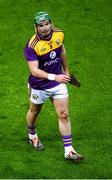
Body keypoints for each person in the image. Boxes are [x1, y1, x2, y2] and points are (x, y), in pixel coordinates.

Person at [24, 11, 84, 161]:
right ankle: (32, 135)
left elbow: (61, 51)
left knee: (64, 114)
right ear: (35, 27)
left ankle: (69, 151)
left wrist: (66, 71)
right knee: (34, 111)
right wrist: (54, 76)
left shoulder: (59, 34)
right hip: (39, 85)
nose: (44, 28)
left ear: (51, 23)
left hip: (58, 83)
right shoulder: (32, 46)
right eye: (40, 25)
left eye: (46, 24)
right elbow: (34, 70)